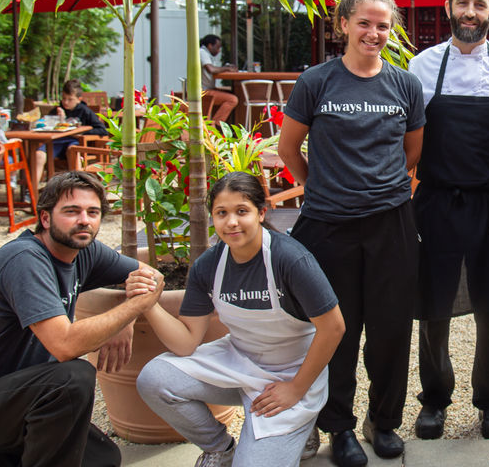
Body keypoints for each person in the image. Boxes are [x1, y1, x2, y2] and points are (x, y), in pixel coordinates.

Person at [277, 0, 425, 467]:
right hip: (327, 225)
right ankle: (338, 426)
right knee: (335, 330)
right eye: (364, 22)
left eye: (383, 25)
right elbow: (288, 150)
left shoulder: (405, 85)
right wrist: (319, 187)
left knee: (390, 330)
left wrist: (380, 188)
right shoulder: (316, 81)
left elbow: (412, 152)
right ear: (342, 25)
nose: (374, 33)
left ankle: (383, 422)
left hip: (391, 224)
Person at [136, 172, 345, 467]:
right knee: (154, 378)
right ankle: (220, 447)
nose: (231, 222)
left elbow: (334, 327)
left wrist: (296, 388)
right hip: (239, 361)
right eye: (222, 213)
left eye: (241, 211)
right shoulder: (208, 266)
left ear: (261, 213)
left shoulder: (291, 260)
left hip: (290, 373)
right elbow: (186, 343)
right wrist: (148, 305)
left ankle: (304, 425)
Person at [0, 171, 164, 467]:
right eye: (71, 212)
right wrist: (130, 310)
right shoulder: (25, 259)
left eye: (93, 212)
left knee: (102, 458)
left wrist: (126, 321)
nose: (84, 220)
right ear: (45, 219)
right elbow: (64, 345)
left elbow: (153, 276)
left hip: (9, 398)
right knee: (72, 380)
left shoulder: (85, 251)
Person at [407, 0, 489, 441]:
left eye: (480, 5)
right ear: (448, 5)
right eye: (463, 3)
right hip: (435, 201)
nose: (471, 12)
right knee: (433, 307)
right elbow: (408, 139)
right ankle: (434, 399)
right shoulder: (422, 67)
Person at [32, 79, 109, 191]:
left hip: (73, 142)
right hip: (56, 142)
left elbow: (102, 130)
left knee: (73, 151)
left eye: (70, 99)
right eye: (64, 99)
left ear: (79, 99)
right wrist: (59, 119)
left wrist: (81, 132)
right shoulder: (57, 110)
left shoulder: (84, 111)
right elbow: (45, 125)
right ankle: (32, 192)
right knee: (38, 154)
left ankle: (75, 188)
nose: (66, 102)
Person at [200, 34, 239, 123]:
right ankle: (215, 124)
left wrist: (225, 68)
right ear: (210, 45)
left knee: (229, 92)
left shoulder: (205, 54)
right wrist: (227, 68)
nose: (219, 50)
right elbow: (211, 69)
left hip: (207, 89)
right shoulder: (202, 52)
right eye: (217, 47)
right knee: (232, 99)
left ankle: (213, 124)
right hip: (203, 91)